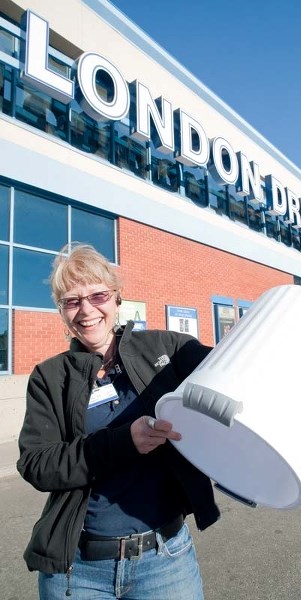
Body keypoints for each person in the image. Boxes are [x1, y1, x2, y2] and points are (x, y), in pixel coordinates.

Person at [17, 243, 220, 600]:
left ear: (117, 299)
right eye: (71, 301)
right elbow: (38, 464)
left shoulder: (167, 348)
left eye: (98, 295)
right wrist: (123, 443)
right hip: (78, 573)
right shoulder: (49, 377)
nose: (86, 310)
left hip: (164, 560)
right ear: (61, 312)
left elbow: (232, 372)